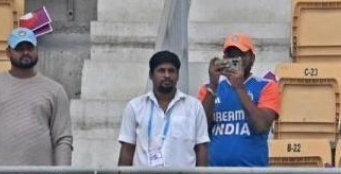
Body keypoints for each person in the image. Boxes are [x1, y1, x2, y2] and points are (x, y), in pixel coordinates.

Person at [0, 27, 73, 165]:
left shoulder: (56, 91)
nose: (26, 52)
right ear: (8, 52)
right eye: (19, 48)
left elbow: (62, 139)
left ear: (37, 50)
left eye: (30, 47)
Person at [196, 33, 280, 166]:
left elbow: (261, 126)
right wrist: (213, 86)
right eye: (230, 55)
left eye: (241, 55)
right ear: (223, 59)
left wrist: (239, 87)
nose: (236, 60)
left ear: (252, 58)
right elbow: (200, 129)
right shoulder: (208, 89)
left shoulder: (266, 86)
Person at [119, 50, 209, 168]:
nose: (167, 75)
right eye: (161, 70)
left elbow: (201, 149)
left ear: (177, 75)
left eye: (171, 71)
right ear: (151, 75)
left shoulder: (194, 107)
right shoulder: (135, 106)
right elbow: (127, 149)